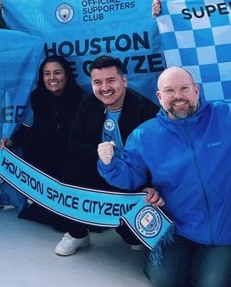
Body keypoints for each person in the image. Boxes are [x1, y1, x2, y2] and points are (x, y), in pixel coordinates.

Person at [97, 67, 231, 285]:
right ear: (159, 96)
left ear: (196, 90)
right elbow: (131, 178)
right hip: (176, 229)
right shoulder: (145, 135)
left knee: (212, 283)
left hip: (226, 230)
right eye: (169, 91)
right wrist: (108, 163)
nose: (178, 96)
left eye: (184, 88)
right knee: (165, 281)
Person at [54, 56, 159, 256]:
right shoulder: (89, 103)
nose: (105, 88)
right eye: (97, 82)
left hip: (131, 179)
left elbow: (158, 157)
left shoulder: (146, 110)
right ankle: (77, 235)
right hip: (98, 169)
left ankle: (128, 231)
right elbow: (74, 140)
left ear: (124, 81)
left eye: (111, 80)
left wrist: (152, 185)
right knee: (70, 171)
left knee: (135, 239)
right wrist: (100, 156)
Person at [2, 56, 86, 227]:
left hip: (72, 162)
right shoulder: (36, 97)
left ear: (67, 75)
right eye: (47, 74)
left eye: (57, 73)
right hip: (44, 160)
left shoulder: (82, 99)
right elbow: (27, 126)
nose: (52, 78)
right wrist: (11, 141)